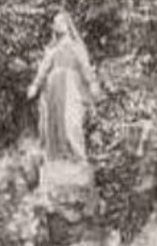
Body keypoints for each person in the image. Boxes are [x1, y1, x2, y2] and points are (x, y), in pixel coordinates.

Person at [27, 10, 101, 164]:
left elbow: (85, 67)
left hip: (72, 87)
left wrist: (92, 83)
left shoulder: (76, 46)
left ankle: (79, 158)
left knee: (71, 121)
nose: (57, 25)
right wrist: (35, 85)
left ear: (68, 25)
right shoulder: (52, 49)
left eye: (61, 22)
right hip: (53, 89)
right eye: (55, 23)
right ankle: (59, 160)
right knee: (54, 124)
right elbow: (43, 69)